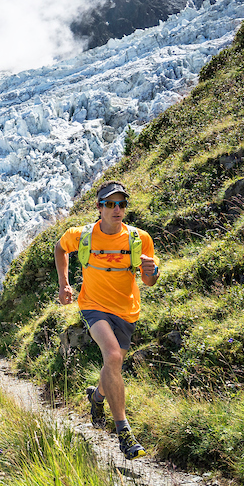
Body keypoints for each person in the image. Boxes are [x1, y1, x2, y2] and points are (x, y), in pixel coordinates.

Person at [54, 180, 159, 459]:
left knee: (113, 365)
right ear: (99, 207)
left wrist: (152, 272)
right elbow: (59, 248)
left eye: (121, 204)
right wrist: (64, 283)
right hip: (93, 306)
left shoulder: (139, 239)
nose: (117, 209)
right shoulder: (82, 236)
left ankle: (97, 397)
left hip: (126, 310)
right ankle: (124, 433)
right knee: (113, 357)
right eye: (110, 204)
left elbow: (148, 281)